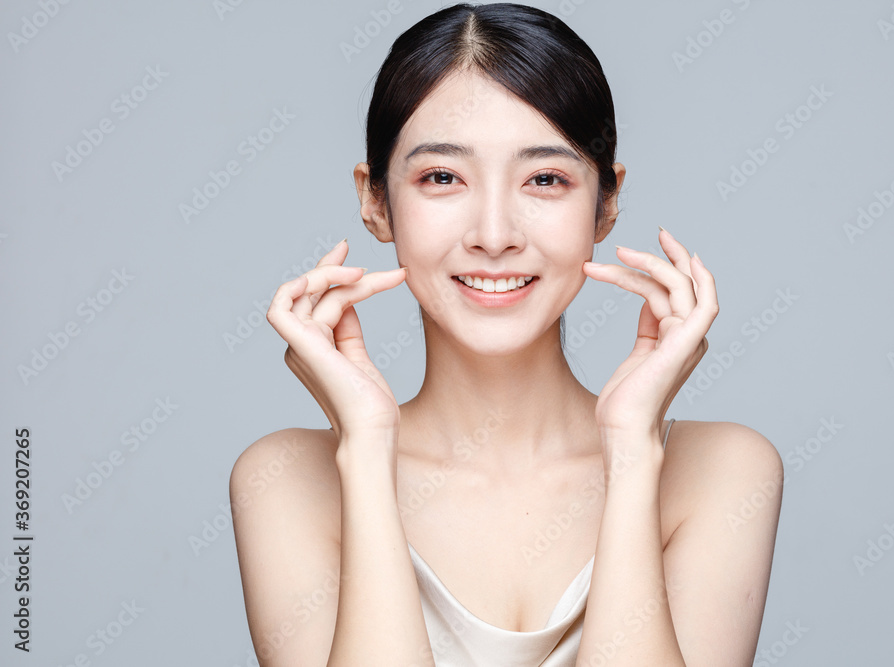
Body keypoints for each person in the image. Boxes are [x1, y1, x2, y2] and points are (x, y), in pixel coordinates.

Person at [230, 3, 783, 666]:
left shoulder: (722, 470)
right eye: (442, 177)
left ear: (606, 203)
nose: (494, 234)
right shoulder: (286, 479)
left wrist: (632, 451)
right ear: (375, 200)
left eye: (545, 179)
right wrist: (367, 448)